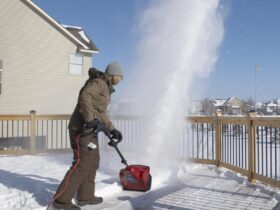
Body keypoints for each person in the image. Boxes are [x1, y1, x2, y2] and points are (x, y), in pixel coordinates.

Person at [52, 62, 124, 210]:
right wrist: (90, 119)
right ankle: (61, 201)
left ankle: (85, 196)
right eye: (120, 76)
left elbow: (101, 112)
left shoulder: (106, 87)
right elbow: (85, 96)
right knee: (82, 163)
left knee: (93, 161)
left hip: (90, 130)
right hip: (81, 128)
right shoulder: (99, 82)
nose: (121, 79)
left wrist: (112, 130)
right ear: (112, 74)